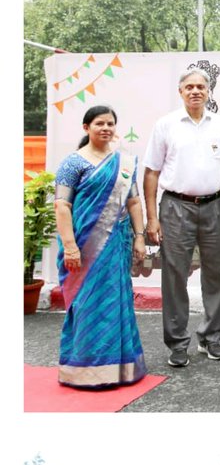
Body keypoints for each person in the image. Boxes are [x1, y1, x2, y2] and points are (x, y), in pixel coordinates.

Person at [143, 69, 220, 367]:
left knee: (215, 273)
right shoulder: (166, 125)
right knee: (174, 275)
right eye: (190, 87)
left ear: (209, 91)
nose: (196, 91)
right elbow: (151, 172)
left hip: (215, 207)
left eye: (201, 86)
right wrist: (152, 218)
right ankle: (177, 342)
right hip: (175, 207)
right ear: (180, 91)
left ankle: (211, 338)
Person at [53, 105, 147, 387]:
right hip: (83, 246)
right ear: (86, 128)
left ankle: (121, 368)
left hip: (116, 244)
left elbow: (133, 201)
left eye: (110, 124)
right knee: (86, 303)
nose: (106, 128)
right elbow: (61, 206)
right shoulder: (73, 163)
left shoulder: (124, 163)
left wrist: (140, 236)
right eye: (99, 123)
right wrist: (70, 247)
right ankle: (83, 369)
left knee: (115, 301)